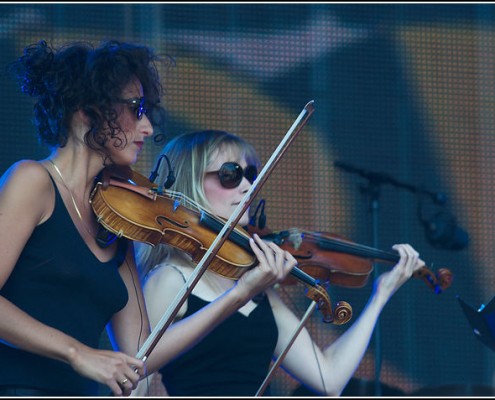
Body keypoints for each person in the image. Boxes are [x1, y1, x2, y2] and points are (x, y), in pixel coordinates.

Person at [0, 40, 297, 397]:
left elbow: (141, 350)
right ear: (87, 110)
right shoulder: (32, 180)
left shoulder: (117, 216)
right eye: (135, 108)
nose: (146, 127)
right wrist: (77, 352)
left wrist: (238, 295)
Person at [133, 129, 426, 396]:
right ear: (190, 183)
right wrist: (241, 293)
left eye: (251, 174)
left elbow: (329, 378)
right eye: (230, 174)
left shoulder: (258, 284)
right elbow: (137, 371)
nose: (248, 186)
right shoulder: (171, 278)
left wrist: (381, 296)